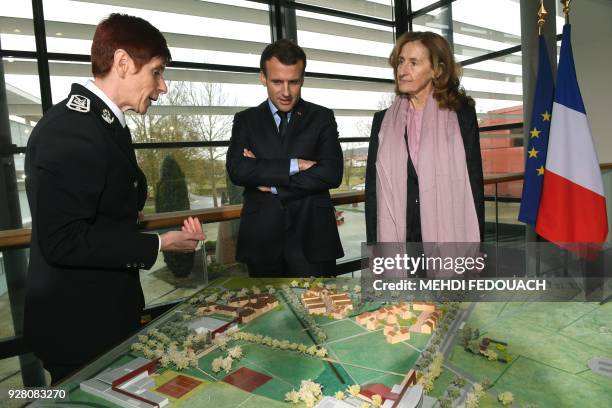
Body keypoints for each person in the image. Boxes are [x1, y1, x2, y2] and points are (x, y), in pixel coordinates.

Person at [24, 14, 204, 383]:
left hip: (102, 322)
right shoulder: (71, 131)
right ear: (123, 63)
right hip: (79, 332)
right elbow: (63, 240)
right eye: (156, 72)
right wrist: (160, 242)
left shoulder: (101, 125)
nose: (162, 87)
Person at [226, 39, 344, 277]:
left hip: (313, 238)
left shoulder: (322, 118)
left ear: (302, 79)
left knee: (320, 312)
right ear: (263, 78)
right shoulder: (246, 120)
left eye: (294, 82)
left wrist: (271, 183)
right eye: (277, 82)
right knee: (264, 312)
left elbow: (331, 173)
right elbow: (238, 170)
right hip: (261, 239)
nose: (286, 92)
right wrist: (296, 165)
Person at [365, 31, 484, 245]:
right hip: (400, 238)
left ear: (436, 70)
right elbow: (373, 192)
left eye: (413, 63)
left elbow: (473, 185)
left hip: (449, 236)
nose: (402, 70)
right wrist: (375, 249)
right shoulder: (382, 122)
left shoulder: (461, 115)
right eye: (401, 61)